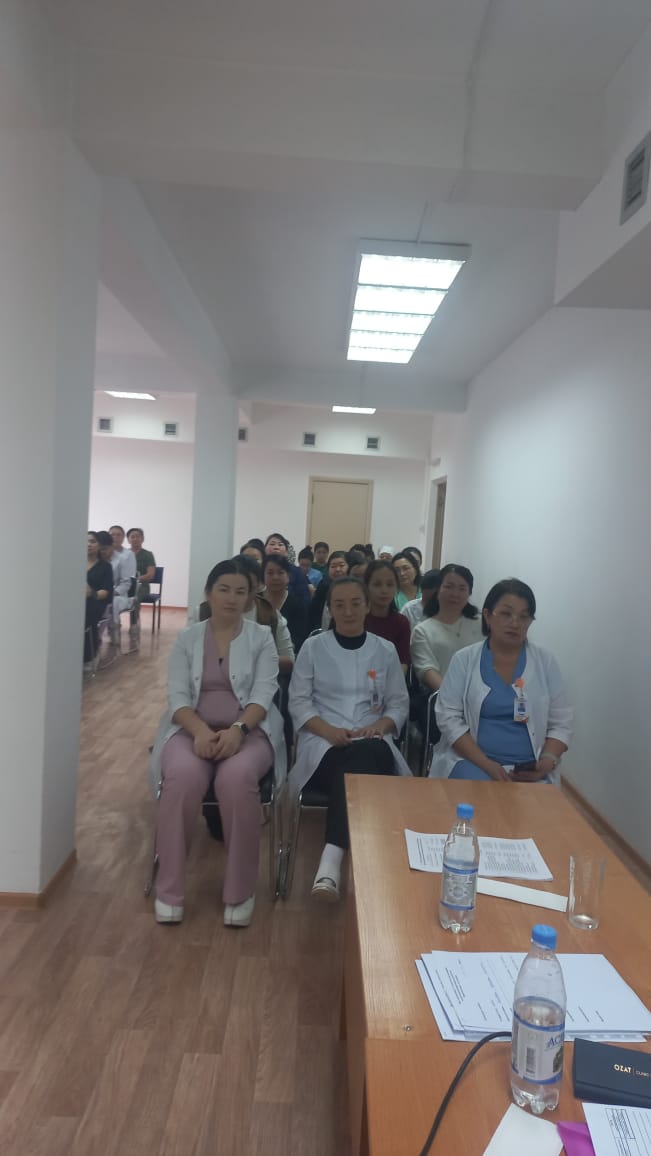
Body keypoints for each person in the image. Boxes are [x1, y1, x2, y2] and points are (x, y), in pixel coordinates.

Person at [149, 558, 286, 927]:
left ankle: (240, 891)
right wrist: (199, 731)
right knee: (182, 778)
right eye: (223, 589)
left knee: (236, 779)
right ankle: (170, 890)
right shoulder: (188, 638)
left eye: (240, 592)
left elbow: (263, 694)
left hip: (250, 731)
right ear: (208, 593)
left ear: (250, 598)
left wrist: (238, 730)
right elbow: (178, 696)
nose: (231, 598)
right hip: (191, 730)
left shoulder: (261, 638)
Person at [289, 576, 410, 901]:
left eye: (356, 603)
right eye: (339, 605)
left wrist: (381, 725)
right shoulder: (313, 648)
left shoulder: (384, 650)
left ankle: (331, 861)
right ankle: (365, 867)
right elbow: (298, 702)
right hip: (323, 744)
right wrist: (327, 731)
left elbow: (399, 703)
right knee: (356, 769)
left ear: (368, 606)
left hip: (374, 740)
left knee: (364, 755)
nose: (348, 611)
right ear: (329, 609)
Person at [430, 578, 573, 782]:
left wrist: (547, 760)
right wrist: (487, 765)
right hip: (474, 762)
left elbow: (562, 721)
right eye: (506, 614)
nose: (515, 623)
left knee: (536, 800)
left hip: (529, 767)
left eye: (524, 617)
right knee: (480, 793)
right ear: (488, 616)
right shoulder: (464, 660)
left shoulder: (545, 662)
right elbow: (448, 718)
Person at [410, 565, 482, 692]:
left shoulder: (482, 624)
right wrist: (456, 698)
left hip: (483, 696)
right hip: (444, 698)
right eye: (449, 587)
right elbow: (427, 671)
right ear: (438, 590)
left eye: (462, 588)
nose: (455, 594)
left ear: (469, 592)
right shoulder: (422, 631)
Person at [364, 560, 410, 671]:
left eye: (390, 585)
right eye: (377, 584)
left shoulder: (401, 622)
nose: (384, 590)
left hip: (390, 677)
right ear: (366, 586)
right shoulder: (358, 619)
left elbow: (403, 662)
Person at [99, 528, 137, 654]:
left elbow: (126, 582)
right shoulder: (96, 559)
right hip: (100, 593)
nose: (103, 551)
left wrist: (112, 592)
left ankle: (114, 628)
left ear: (111, 547)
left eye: (106, 548)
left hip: (118, 594)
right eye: (101, 549)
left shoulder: (121, 559)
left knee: (113, 602)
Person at [263, 553, 309, 653]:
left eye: (280, 573)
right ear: (263, 576)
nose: (275, 577)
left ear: (288, 576)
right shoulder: (255, 600)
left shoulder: (298, 605)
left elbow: (299, 639)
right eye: (270, 573)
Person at [84, 532, 113, 668]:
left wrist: (92, 593)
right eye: (86, 541)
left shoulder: (105, 567)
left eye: (93, 541)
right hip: (76, 602)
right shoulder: (74, 563)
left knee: (87, 611)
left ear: (99, 545)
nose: (89, 545)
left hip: (96, 602)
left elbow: (106, 592)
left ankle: (89, 656)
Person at [308, 549, 349, 632]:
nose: (337, 569)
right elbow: (314, 612)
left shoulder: (355, 589)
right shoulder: (323, 585)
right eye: (333, 566)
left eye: (341, 566)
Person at [264, 532, 311, 604]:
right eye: (272, 544)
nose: (276, 547)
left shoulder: (296, 572)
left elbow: (305, 599)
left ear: (286, 552)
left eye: (280, 545)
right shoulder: (259, 569)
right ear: (264, 550)